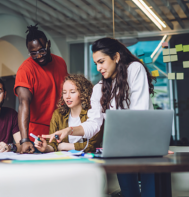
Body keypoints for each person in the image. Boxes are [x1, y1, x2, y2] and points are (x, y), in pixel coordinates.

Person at [43, 38, 156, 197]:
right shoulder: (99, 89)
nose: (99, 67)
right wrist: (69, 130)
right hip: (121, 148)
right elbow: (93, 124)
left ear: (116, 57)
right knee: (129, 193)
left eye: (101, 61)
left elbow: (140, 111)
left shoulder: (135, 69)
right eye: (96, 63)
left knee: (150, 193)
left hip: (146, 144)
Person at [14, 24, 68, 154]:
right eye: (33, 53)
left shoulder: (60, 62)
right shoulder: (25, 70)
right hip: (36, 137)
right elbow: (23, 103)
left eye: (42, 50)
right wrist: (24, 139)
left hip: (59, 132)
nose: (39, 56)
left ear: (48, 44)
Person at [34, 74, 103, 153]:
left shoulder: (93, 114)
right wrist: (46, 147)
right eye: (64, 92)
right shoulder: (58, 114)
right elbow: (54, 144)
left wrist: (65, 146)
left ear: (83, 93)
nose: (67, 96)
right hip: (65, 161)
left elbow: (93, 145)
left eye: (72, 92)